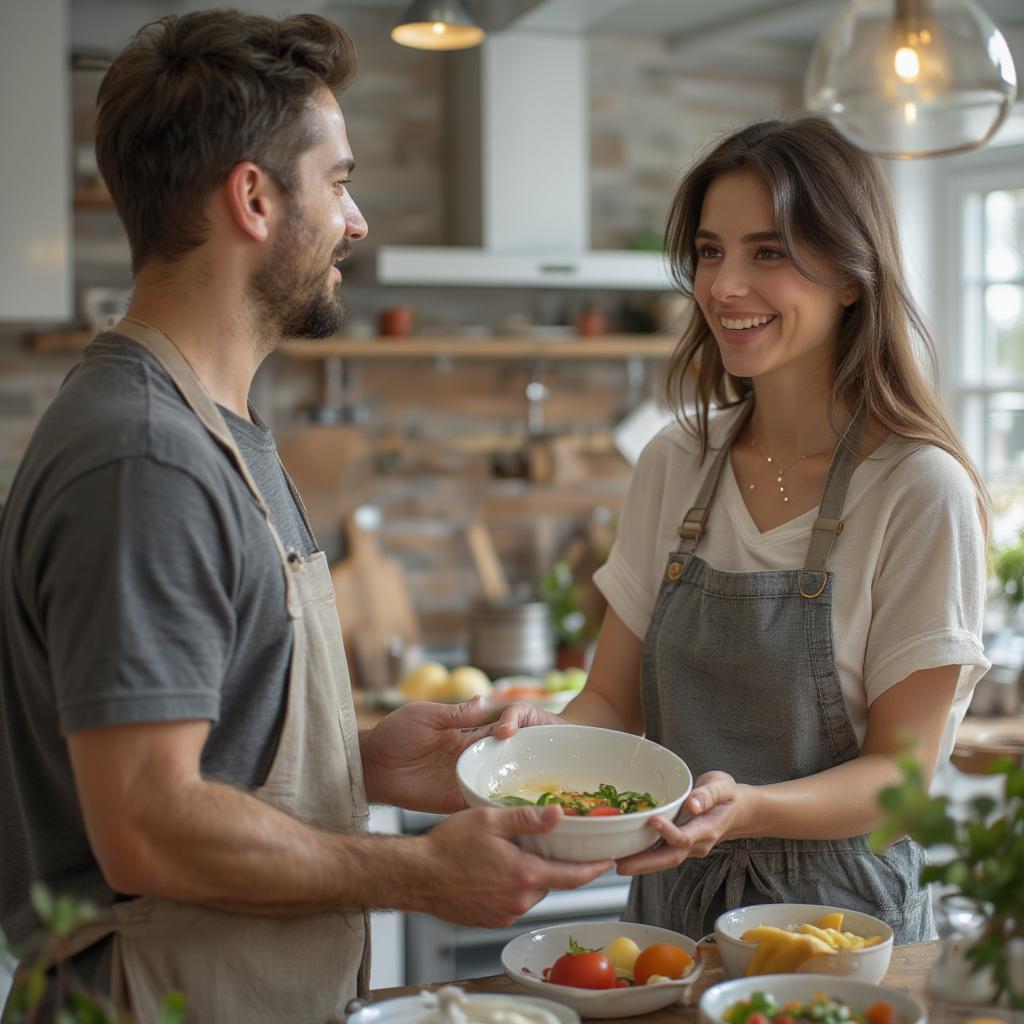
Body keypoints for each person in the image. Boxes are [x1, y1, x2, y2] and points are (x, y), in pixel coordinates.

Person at [0, 11, 611, 1022]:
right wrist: (415, 874)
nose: (357, 220)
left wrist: (359, 762)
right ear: (252, 197)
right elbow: (147, 823)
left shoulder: (215, 429)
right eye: (338, 180)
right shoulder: (146, 454)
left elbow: (210, 756)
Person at [495, 115, 989, 944]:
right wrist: (541, 745)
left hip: (839, 928)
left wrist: (750, 810)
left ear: (849, 277)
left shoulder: (916, 487)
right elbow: (613, 699)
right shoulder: (674, 460)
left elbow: (904, 779)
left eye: (768, 252)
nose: (724, 286)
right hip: (668, 916)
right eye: (711, 251)